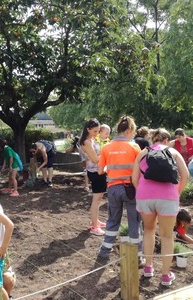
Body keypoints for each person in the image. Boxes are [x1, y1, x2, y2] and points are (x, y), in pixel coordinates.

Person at [132, 128, 189, 286]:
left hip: (145, 196)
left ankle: (148, 268)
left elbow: (134, 178)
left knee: (149, 231)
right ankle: (165, 275)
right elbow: (185, 176)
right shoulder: (173, 152)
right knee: (167, 236)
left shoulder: (143, 153)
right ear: (166, 140)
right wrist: (176, 192)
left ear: (153, 140)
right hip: (168, 197)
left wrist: (143, 192)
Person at [98, 116, 142, 259]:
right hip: (131, 190)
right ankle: (138, 255)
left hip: (113, 189)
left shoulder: (106, 147)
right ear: (128, 131)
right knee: (134, 222)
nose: (133, 135)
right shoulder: (134, 147)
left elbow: (100, 171)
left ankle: (105, 251)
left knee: (112, 220)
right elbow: (141, 170)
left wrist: (111, 169)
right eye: (133, 132)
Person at [80, 119, 107, 236]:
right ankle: (94, 226)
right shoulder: (86, 142)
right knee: (96, 199)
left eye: (98, 131)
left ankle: (95, 220)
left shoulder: (91, 139)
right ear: (88, 129)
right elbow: (95, 159)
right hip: (95, 172)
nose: (97, 133)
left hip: (98, 171)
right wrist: (108, 153)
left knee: (99, 198)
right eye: (95, 131)